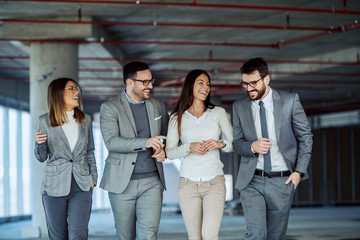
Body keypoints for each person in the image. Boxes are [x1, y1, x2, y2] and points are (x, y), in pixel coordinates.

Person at [232, 57, 313, 240]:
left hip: (282, 181)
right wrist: (252, 146)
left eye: (253, 83)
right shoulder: (239, 107)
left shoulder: (290, 101)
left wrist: (299, 172)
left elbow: (305, 137)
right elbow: (236, 143)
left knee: (275, 236)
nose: (249, 88)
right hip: (252, 180)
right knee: (256, 234)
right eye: (245, 84)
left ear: (266, 79)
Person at [99, 61, 169, 240]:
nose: (150, 86)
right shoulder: (110, 107)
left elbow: (167, 137)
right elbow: (111, 142)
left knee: (149, 235)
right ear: (129, 82)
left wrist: (164, 151)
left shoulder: (158, 105)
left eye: (151, 81)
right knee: (125, 236)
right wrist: (145, 142)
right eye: (145, 82)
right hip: (121, 183)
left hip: (152, 181)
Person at [166, 69, 233, 240]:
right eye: (201, 83)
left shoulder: (218, 113)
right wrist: (189, 147)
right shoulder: (177, 117)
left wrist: (220, 143)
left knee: (209, 235)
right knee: (195, 236)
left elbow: (234, 143)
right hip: (187, 185)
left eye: (208, 84)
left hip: (214, 183)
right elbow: (170, 152)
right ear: (190, 86)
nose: (206, 87)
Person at [34, 78, 98, 240]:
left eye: (76, 89)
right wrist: (39, 144)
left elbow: (90, 151)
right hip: (54, 185)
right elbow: (41, 157)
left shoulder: (86, 120)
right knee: (57, 235)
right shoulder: (45, 120)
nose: (77, 92)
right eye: (71, 89)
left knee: (78, 234)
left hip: (82, 184)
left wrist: (93, 179)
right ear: (58, 93)